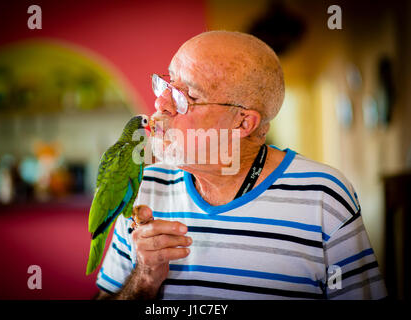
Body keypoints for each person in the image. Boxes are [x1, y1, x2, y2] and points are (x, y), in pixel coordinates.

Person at [95, 31, 387, 300]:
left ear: (243, 123)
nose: (161, 104)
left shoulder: (324, 196)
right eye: (167, 83)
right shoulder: (144, 186)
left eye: (187, 97)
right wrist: (144, 279)